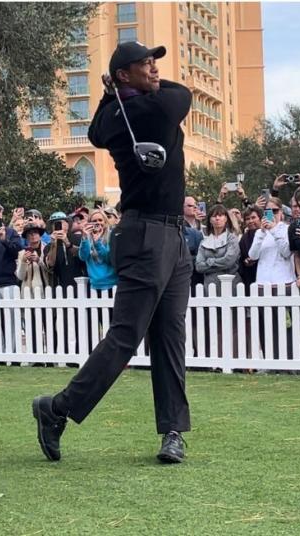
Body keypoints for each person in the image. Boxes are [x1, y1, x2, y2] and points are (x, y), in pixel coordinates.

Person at [33, 41, 193, 464]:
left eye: (155, 62)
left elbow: (96, 131)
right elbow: (183, 95)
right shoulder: (153, 109)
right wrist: (120, 91)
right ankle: (57, 409)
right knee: (127, 336)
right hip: (147, 233)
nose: (155, 69)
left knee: (170, 337)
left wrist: (109, 92)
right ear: (125, 74)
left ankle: (172, 432)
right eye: (145, 64)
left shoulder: (116, 114)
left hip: (171, 234)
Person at [248, 197, 294, 285]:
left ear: (281, 212)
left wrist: (273, 230)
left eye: (275, 211)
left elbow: (286, 253)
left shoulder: (288, 229)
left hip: (284, 280)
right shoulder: (259, 232)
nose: (272, 214)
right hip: (263, 281)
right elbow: (253, 256)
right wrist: (262, 233)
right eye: (268, 211)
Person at [195, 204, 241, 290]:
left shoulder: (232, 239)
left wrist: (210, 262)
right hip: (210, 286)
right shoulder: (204, 242)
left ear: (226, 219)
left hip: (231, 286)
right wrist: (221, 265)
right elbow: (199, 266)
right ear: (210, 220)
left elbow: (229, 261)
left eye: (220, 215)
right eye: (214, 216)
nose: (217, 218)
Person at [78, 208, 117, 291]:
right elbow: (83, 257)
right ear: (90, 223)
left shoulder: (111, 237)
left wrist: (98, 243)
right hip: (95, 286)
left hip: (112, 285)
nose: (98, 223)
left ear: (105, 222)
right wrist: (84, 237)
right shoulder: (87, 238)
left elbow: (110, 259)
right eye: (94, 221)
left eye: (100, 220)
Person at [44, 212, 84, 292]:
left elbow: (82, 255)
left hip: (81, 286)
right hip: (59, 287)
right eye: (55, 223)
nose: (59, 225)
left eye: (61, 222)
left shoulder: (79, 239)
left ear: (68, 224)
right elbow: (50, 264)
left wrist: (67, 242)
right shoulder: (48, 246)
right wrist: (53, 244)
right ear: (52, 227)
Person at [16, 222, 50, 292]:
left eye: (35, 232)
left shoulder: (48, 249)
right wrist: (23, 261)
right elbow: (20, 277)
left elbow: (51, 270)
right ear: (26, 237)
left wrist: (39, 260)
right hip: (28, 294)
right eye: (29, 233)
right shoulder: (22, 253)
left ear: (40, 235)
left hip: (46, 291)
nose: (33, 235)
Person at [237, 207, 262, 285]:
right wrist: (246, 262)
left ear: (260, 218)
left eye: (253, 217)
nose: (251, 221)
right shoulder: (244, 238)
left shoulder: (267, 234)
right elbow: (240, 258)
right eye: (248, 219)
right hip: (250, 277)